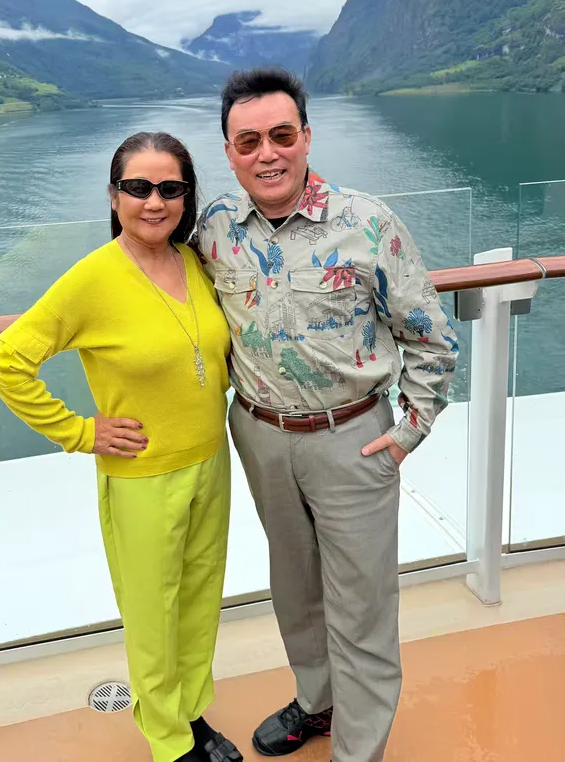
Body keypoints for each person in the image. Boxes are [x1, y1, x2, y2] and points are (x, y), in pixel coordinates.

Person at [193, 68, 458, 762]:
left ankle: (357, 751)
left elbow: (432, 338)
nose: (267, 153)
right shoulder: (215, 229)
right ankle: (317, 701)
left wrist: (405, 433)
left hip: (353, 439)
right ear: (229, 152)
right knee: (297, 591)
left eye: (282, 135)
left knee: (361, 607)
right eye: (249, 141)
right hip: (259, 435)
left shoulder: (367, 223)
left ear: (306, 137)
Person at [0, 132, 242, 762]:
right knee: (153, 617)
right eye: (138, 187)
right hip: (141, 476)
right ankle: (169, 741)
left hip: (211, 462)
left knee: (200, 603)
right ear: (113, 195)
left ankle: (191, 713)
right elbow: (6, 363)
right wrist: (80, 432)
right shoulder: (93, 280)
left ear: (186, 196)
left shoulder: (195, 264)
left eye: (170, 188)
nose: (155, 202)